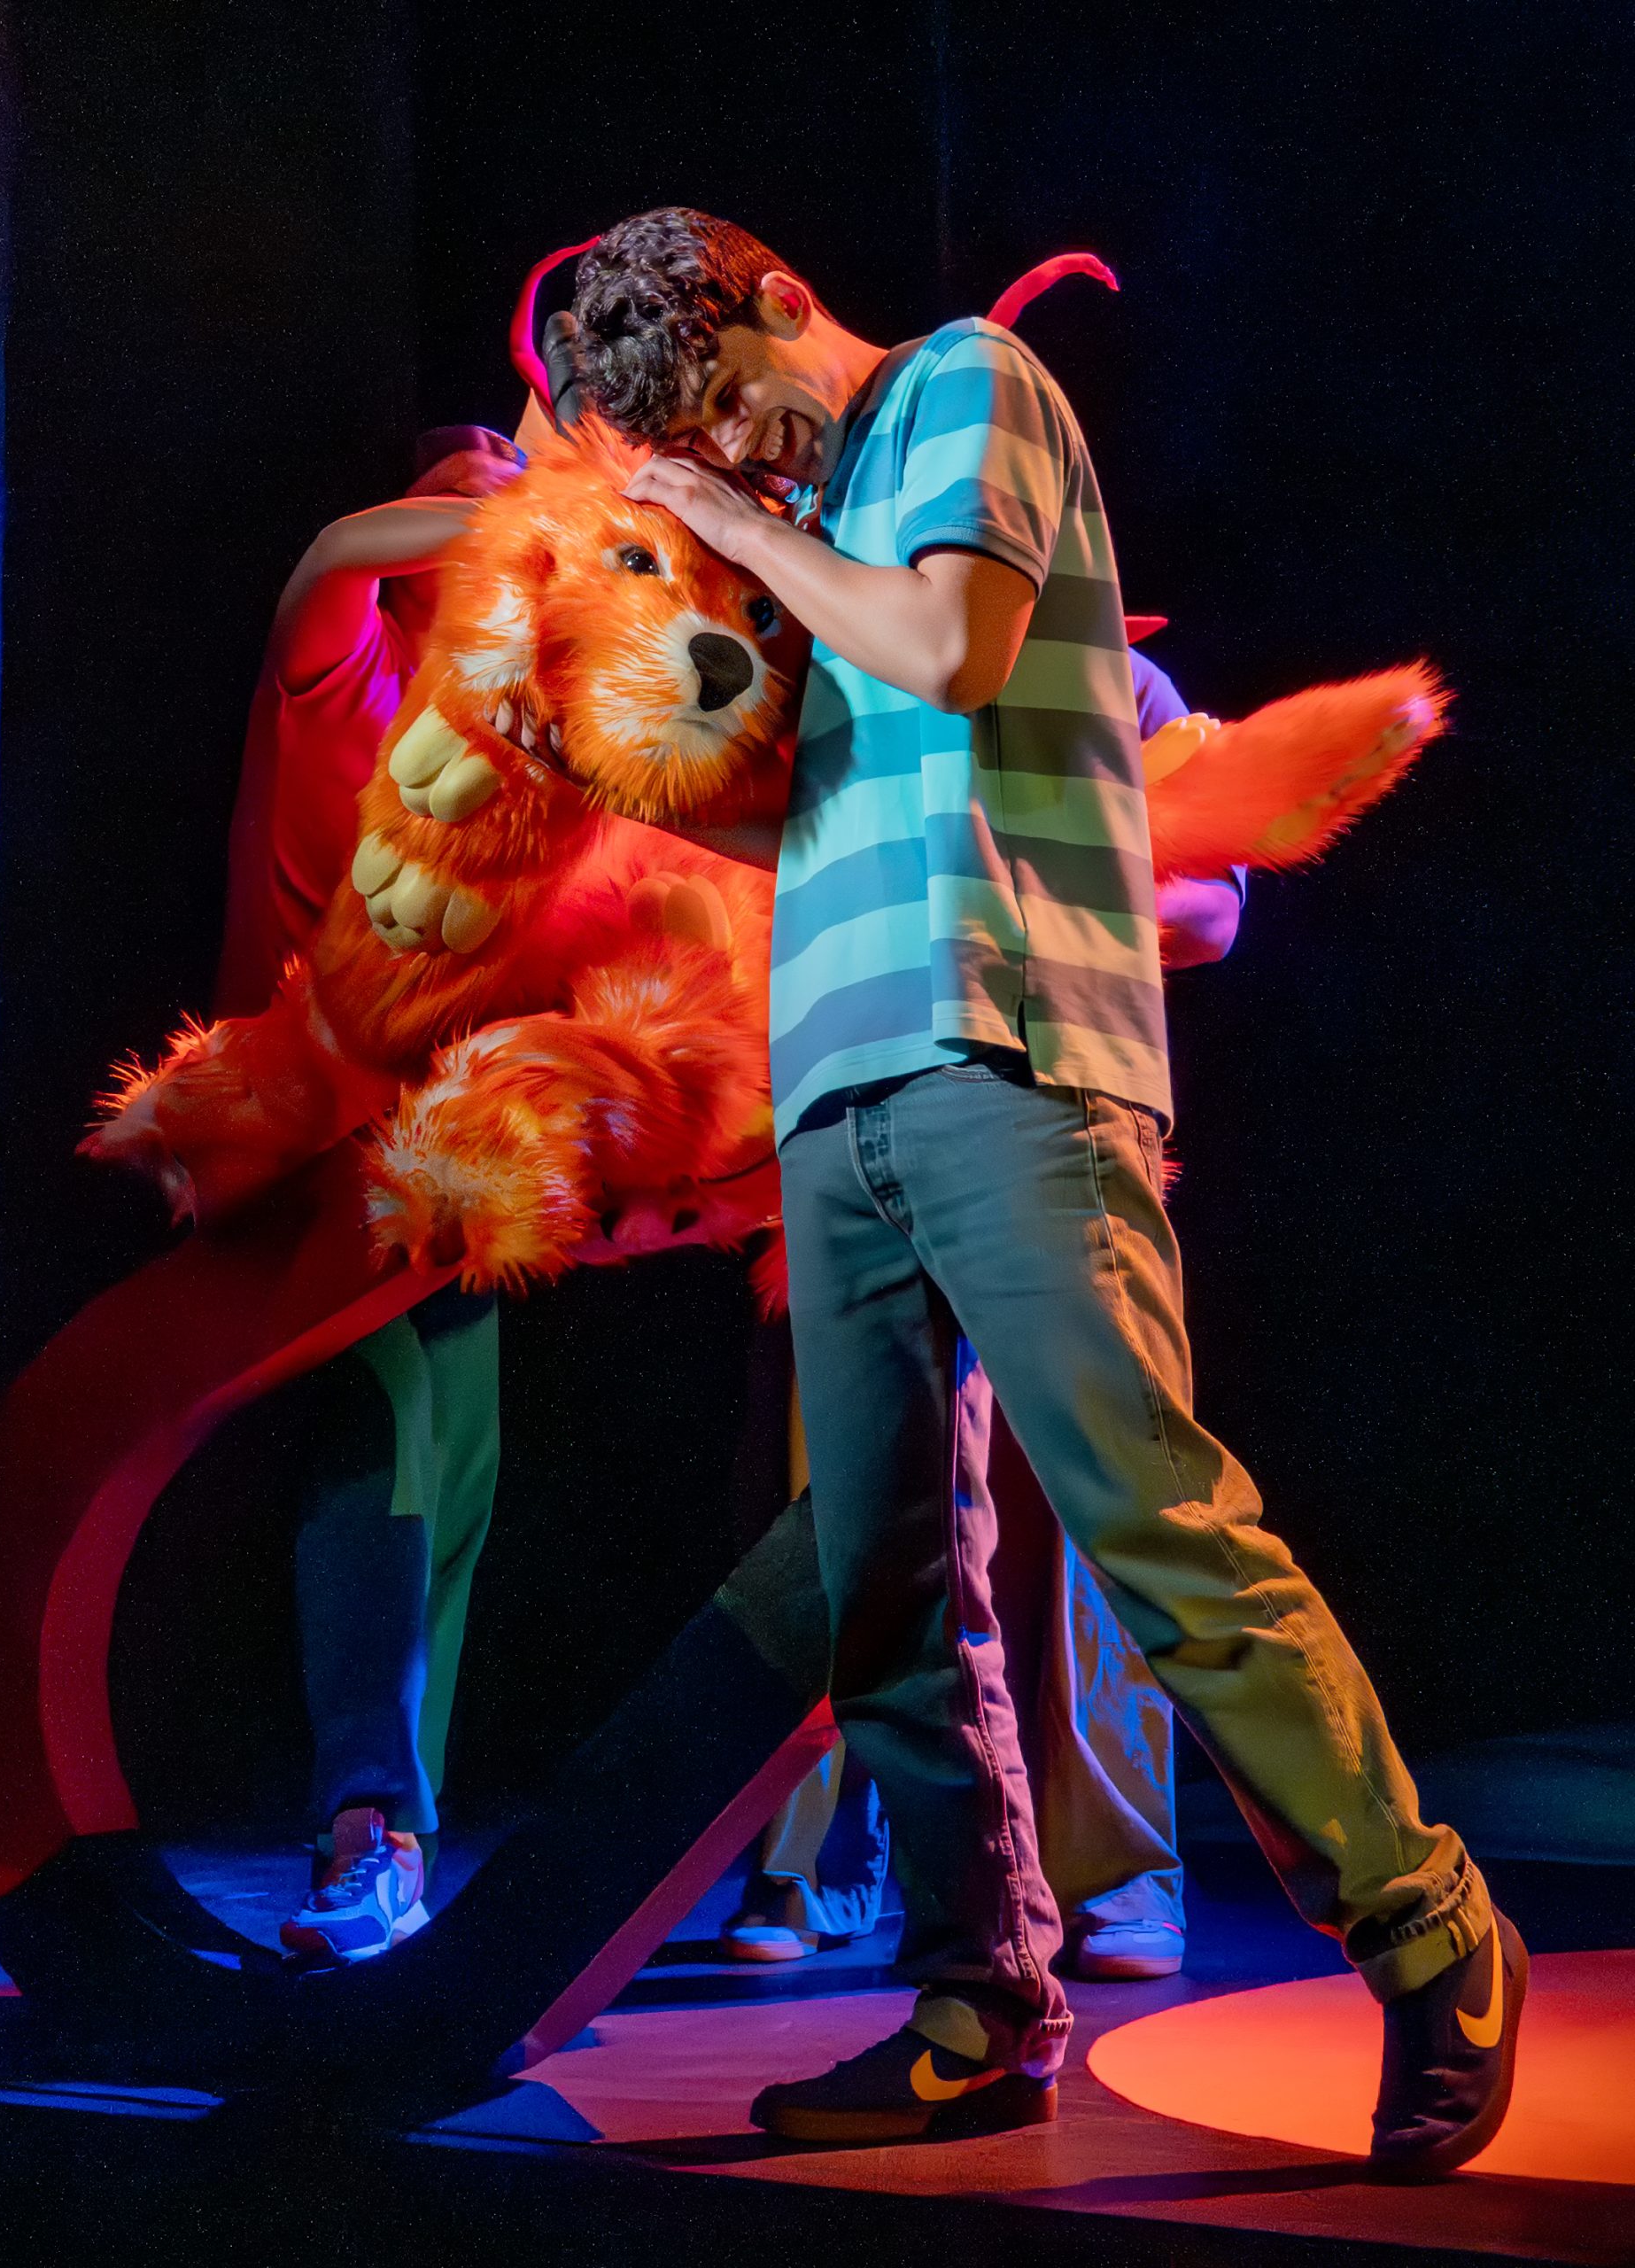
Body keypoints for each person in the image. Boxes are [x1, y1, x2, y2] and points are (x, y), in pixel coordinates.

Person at [572, 207, 1521, 2172]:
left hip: (1009, 1049)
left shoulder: (962, 389)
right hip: (840, 1078)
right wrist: (630, 765)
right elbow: (833, 771)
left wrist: (743, 532)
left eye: (728, 417)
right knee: (888, 1584)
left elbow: (949, 644)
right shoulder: (829, 521)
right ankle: (975, 1994)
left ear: (770, 303)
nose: (737, 465)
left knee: (1147, 1513)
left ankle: (1429, 1923)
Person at [723, 648, 1238, 1981]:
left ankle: (1114, 1869)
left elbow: (1210, 911)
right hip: (864, 1126)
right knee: (851, 1502)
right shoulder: (846, 670)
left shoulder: (1121, 684)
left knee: (1079, 1499)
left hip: (1051, 1124)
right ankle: (828, 1858)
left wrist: (996, 894)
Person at [214, 423, 525, 1963]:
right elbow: (333, 557)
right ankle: (359, 1829)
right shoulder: (346, 666)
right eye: (459, 478)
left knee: (455, 1483)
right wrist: (463, 510)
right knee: (384, 1450)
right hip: (318, 1149)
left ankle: (401, 1836)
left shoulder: (494, 733)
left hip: (449, 1162)